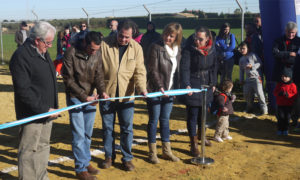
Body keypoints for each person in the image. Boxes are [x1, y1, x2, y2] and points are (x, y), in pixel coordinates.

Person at [9, 21, 59, 180]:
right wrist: (44, 109)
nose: (50, 46)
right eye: (48, 42)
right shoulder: (21, 56)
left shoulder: (42, 51)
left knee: (43, 147)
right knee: (29, 151)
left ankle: (42, 176)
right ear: (37, 40)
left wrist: (52, 108)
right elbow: (23, 91)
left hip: (47, 112)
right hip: (32, 114)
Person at [99, 19, 147, 171]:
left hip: (127, 96)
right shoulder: (104, 44)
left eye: (127, 37)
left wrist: (142, 89)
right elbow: (97, 69)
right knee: (108, 128)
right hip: (107, 94)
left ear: (132, 35)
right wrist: (100, 91)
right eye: (121, 36)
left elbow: (140, 71)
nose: (124, 39)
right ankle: (109, 156)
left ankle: (127, 158)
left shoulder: (137, 48)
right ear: (117, 32)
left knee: (127, 128)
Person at [62, 31, 109, 180]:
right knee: (79, 134)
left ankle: (85, 161)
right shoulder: (71, 52)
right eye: (92, 49)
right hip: (75, 97)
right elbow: (68, 79)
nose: (95, 52)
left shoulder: (97, 53)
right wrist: (84, 97)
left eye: (97, 49)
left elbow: (99, 75)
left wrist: (102, 92)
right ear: (85, 43)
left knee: (87, 133)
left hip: (91, 97)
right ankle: (80, 168)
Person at [146, 22, 182, 164]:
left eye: (171, 36)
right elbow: (152, 69)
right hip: (155, 90)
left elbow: (176, 72)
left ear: (177, 37)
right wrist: (160, 86)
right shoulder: (155, 47)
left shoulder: (178, 50)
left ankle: (167, 151)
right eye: (166, 34)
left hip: (170, 91)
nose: (168, 38)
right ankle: (152, 153)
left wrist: (177, 88)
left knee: (165, 121)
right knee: (154, 120)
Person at [180, 26, 218, 157]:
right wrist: (186, 84)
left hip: (206, 84)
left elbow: (214, 67)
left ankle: (202, 136)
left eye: (201, 39)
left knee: (204, 113)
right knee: (193, 114)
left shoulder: (212, 49)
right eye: (196, 38)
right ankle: (194, 143)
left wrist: (213, 83)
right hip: (193, 82)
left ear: (207, 39)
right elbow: (184, 68)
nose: (197, 41)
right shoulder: (188, 49)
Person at [239, 42, 268, 114]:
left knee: (260, 94)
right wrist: (241, 79)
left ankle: (264, 110)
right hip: (248, 79)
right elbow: (241, 70)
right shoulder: (241, 59)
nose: (242, 50)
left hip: (256, 78)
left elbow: (260, 63)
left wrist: (252, 66)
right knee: (247, 94)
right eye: (241, 49)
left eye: (244, 48)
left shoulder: (252, 55)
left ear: (247, 49)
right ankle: (249, 108)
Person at [273, 68, 298, 135]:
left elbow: (295, 94)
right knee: (281, 117)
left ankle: (285, 129)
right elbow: (275, 92)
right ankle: (280, 129)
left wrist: (288, 95)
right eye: (282, 76)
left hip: (289, 105)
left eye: (286, 77)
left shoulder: (293, 85)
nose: (284, 78)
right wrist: (279, 93)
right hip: (280, 104)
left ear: (290, 77)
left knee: (287, 118)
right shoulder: (279, 84)